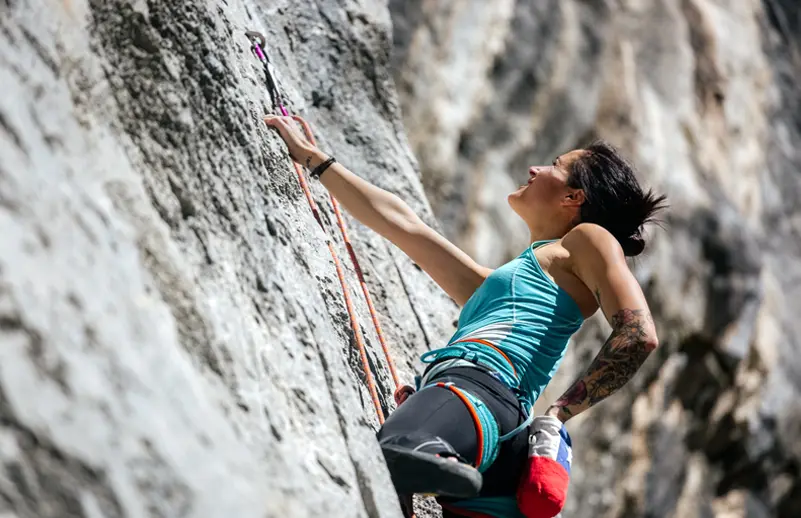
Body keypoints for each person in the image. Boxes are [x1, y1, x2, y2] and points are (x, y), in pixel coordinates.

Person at [264, 115, 666, 517]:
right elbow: (405, 226)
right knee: (401, 460)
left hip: (474, 394)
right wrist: (313, 159)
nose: (535, 168)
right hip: (499, 434)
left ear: (573, 197)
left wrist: (559, 413)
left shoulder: (587, 238)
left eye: (555, 165)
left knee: (401, 448)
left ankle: (429, 444)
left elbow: (639, 334)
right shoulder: (501, 286)